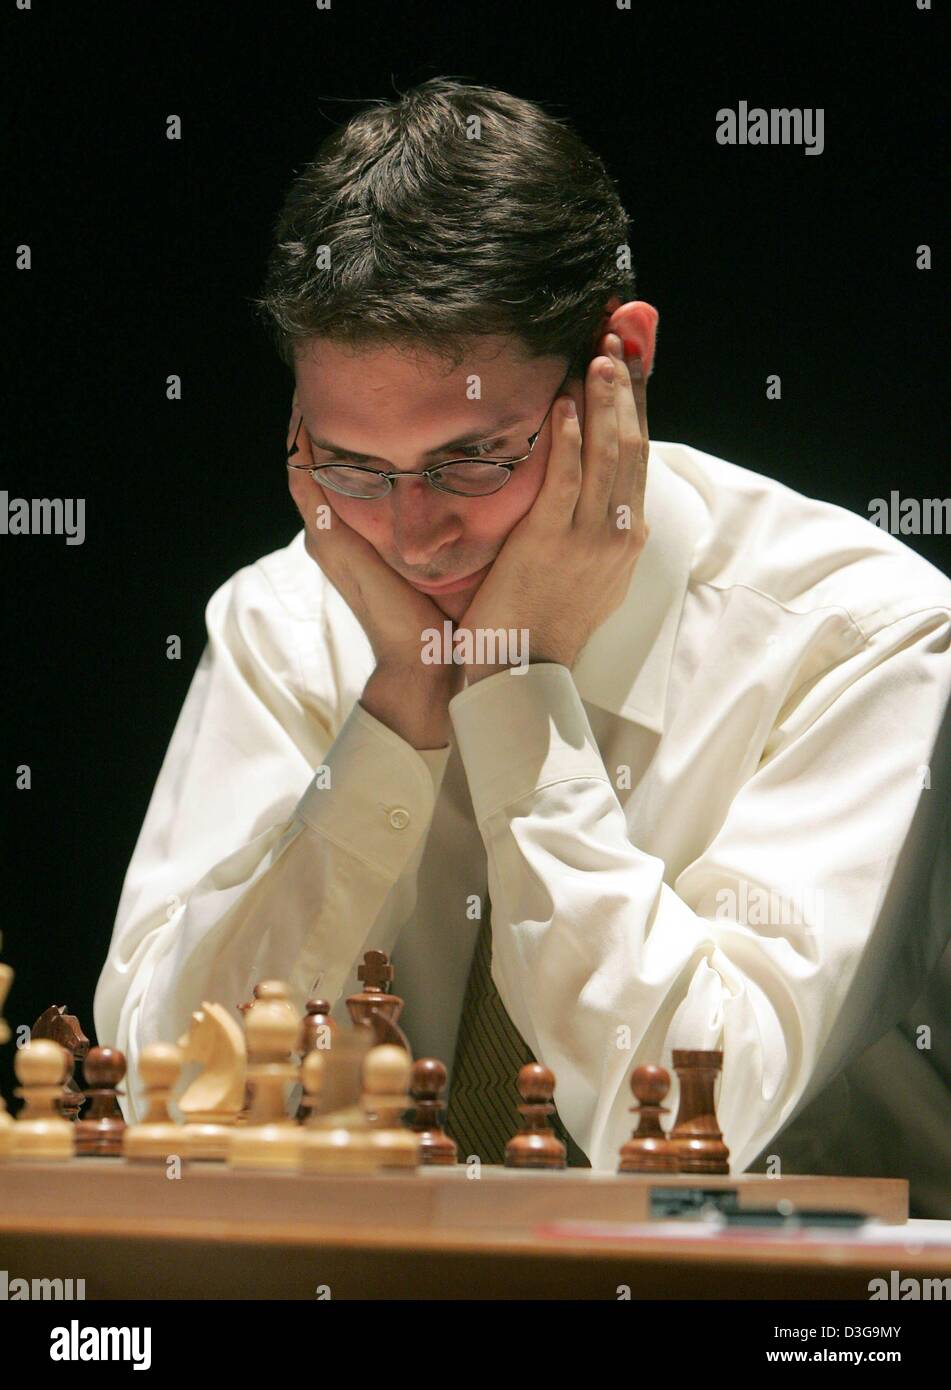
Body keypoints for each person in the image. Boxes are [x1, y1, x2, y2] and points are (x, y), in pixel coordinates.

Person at [95, 79, 951, 1200]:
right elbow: (155, 1102)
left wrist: (508, 692)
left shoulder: (863, 637)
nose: (413, 535)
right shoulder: (283, 622)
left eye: (472, 458)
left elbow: (703, 1129)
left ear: (621, 367)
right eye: (352, 467)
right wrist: (401, 710)